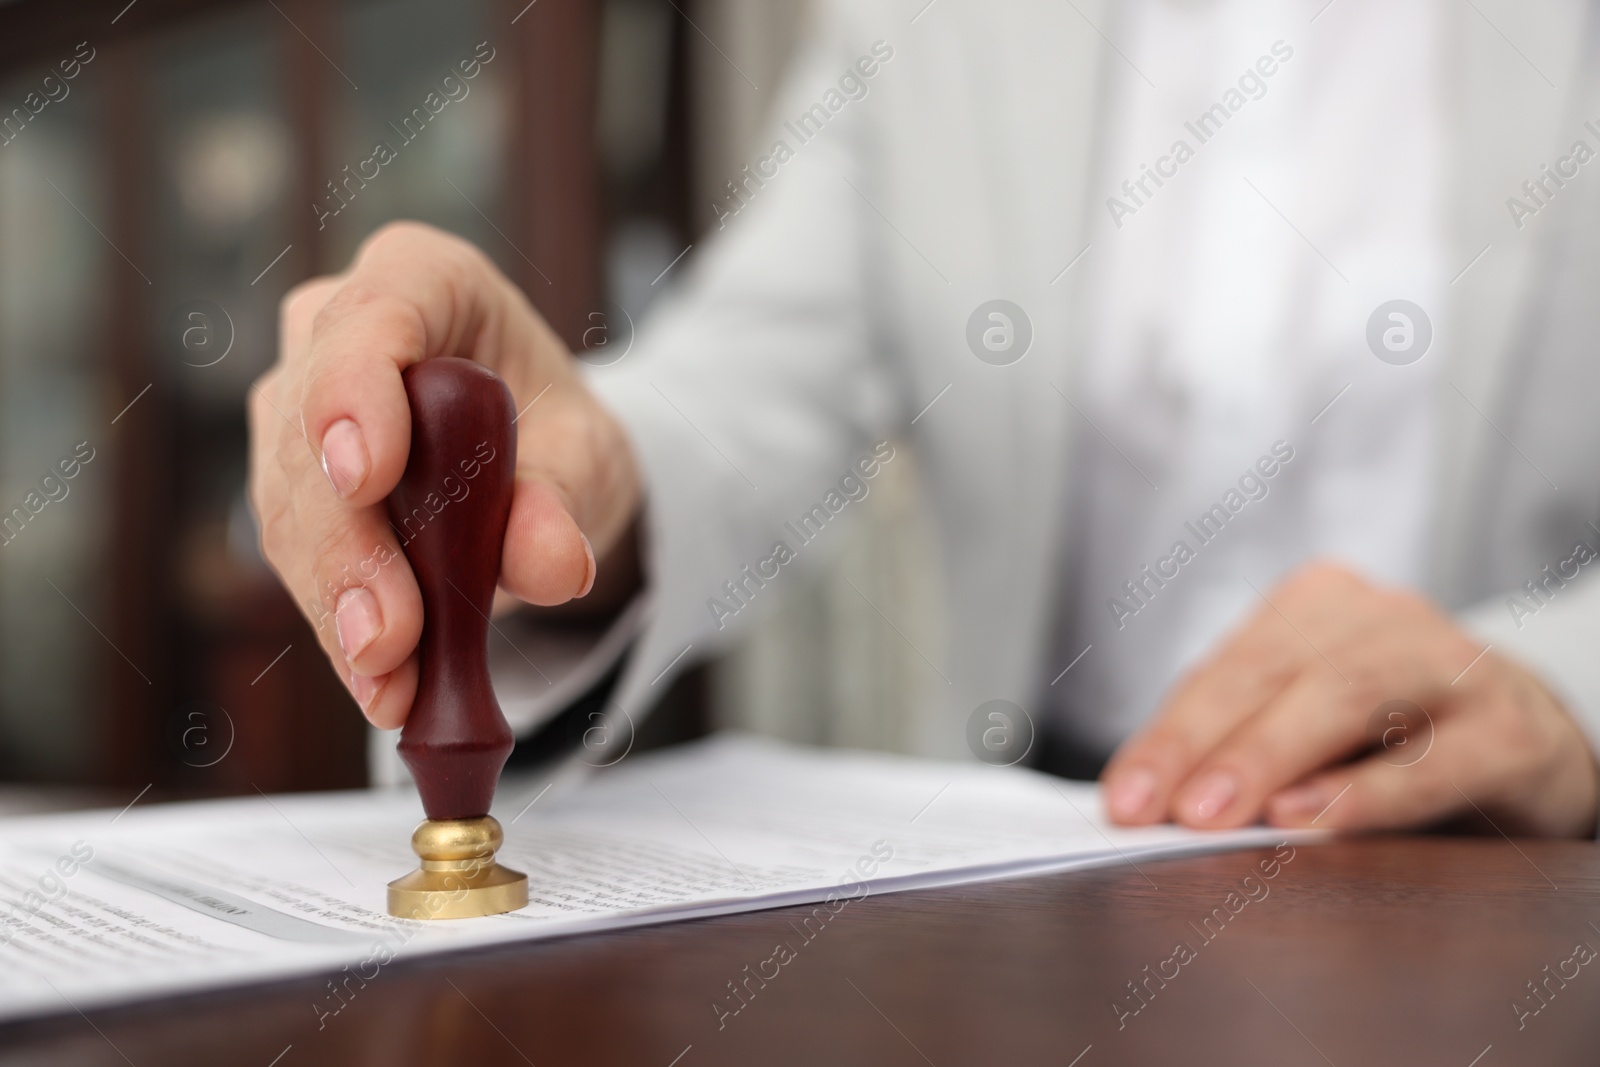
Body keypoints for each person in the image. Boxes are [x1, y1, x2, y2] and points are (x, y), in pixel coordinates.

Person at [249, 0, 1600, 837]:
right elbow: (751, 372)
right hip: (1055, 863)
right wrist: (582, 476)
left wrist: (1564, 691)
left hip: (1505, 867)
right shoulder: (921, 22)